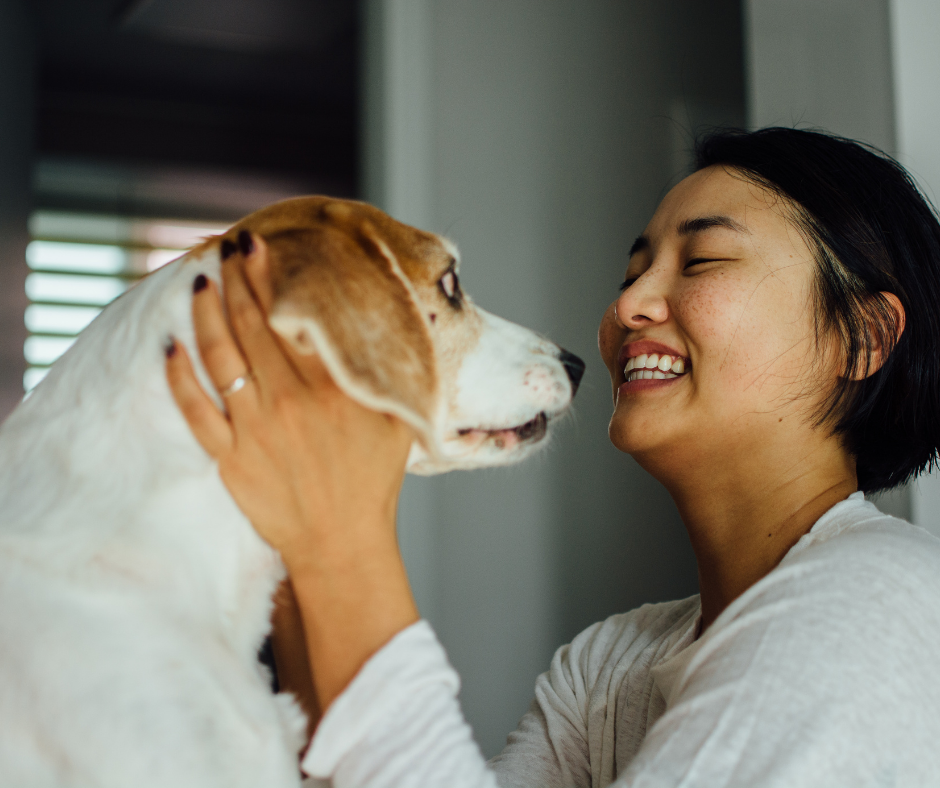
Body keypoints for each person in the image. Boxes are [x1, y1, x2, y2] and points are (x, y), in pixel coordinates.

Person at [166, 128, 940, 787]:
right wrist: (288, 532)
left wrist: (336, 531)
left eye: (701, 263)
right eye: (634, 270)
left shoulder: (877, 596)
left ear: (863, 337)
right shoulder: (608, 665)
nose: (627, 305)